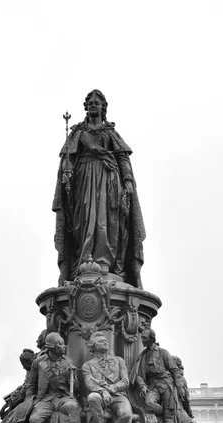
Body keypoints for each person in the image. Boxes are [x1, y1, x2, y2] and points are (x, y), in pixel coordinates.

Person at [53, 89, 146, 288]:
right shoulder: (78, 132)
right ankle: (84, 260)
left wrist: (128, 180)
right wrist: (67, 171)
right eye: (91, 103)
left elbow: (122, 157)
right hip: (85, 178)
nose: (94, 105)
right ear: (86, 107)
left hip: (108, 178)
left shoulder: (110, 133)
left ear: (103, 107)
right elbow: (67, 158)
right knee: (84, 216)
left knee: (108, 221)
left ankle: (105, 263)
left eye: (98, 102)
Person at [26, 332, 89, 423]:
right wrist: (28, 402)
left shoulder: (68, 362)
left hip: (63, 397)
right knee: (34, 420)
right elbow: (31, 385)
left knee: (73, 406)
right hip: (45, 399)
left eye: (64, 344)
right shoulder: (38, 363)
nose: (64, 346)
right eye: (60, 344)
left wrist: (72, 377)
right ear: (51, 347)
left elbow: (75, 387)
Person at [130, 328, 186, 423]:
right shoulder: (143, 356)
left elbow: (175, 370)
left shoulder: (163, 353)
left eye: (144, 338)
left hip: (167, 385)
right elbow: (138, 375)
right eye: (142, 337)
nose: (142, 340)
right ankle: (164, 412)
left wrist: (180, 387)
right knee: (149, 403)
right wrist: (143, 386)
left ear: (152, 339)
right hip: (153, 386)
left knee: (169, 418)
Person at [81, 332, 133, 423]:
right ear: (93, 346)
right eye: (101, 341)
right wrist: (103, 391)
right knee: (92, 397)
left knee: (126, 415)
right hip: (100, 395)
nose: (105, 342)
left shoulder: (119, 360)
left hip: (118, 395)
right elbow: (89, 383)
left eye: (105, 340)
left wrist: (113, 388)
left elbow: (125, 381)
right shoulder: (87, 366)